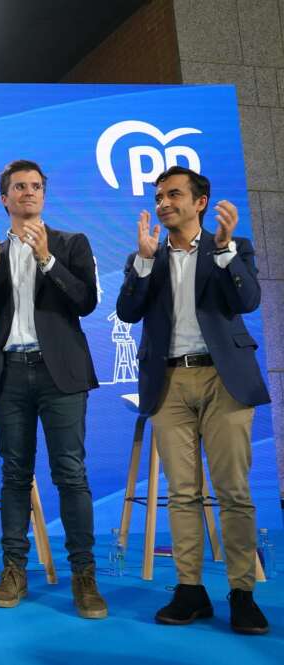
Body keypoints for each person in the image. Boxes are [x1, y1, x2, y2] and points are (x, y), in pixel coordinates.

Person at [116, 166, 270, 635]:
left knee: (234, 492)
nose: (163, 203)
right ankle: (190, 590)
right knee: (181, 494)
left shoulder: (233, 247)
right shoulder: (146, 255)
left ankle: (242, 593)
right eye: (159, 196)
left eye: (173, 195)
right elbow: (128, 310)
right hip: (169, 382)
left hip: (224, 379)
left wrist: (224, 249)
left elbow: (248, 302)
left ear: (199, 202)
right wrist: (143, 265)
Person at [0, 160, 107, 619]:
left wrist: (47, 260)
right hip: (10, 375)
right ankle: (14, 570)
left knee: (71, 474)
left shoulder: (71, 243)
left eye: (36, 187)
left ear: (44, 195)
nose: (29, 193)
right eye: (19, 187)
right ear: (4, 198)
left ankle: (84, 575)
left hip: (59, 374)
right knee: (13, 476)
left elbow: (85, 302)